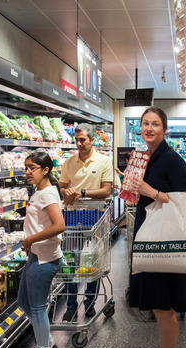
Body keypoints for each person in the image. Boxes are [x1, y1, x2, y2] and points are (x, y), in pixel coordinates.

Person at [126, 107, 186, 348]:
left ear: (165, 128)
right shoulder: (145, 157)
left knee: (164, 309)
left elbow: (183, 203)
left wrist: (147, 190)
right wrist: (131, 187)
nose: (149, 128)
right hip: (149, 237)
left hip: (163, 244)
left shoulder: (172, 160)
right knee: (158, 306)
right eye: (145, 124)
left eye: (155, 124)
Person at [59, 123, 114, 322]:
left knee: (93, 261)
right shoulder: (68, 162)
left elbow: (106, 191)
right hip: (72, 215)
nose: (80, 144)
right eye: (77, 140)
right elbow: (62, 185)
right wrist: (67, 192)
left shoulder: (104, 161)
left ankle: (90, 302)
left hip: (95, 215)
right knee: (70, 261)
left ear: (92, 140)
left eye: (83, 140)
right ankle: (71, 305)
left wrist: (81, 192)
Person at [16, 151, 66, 348]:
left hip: (44, 258)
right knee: (24, 302)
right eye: (26, 167)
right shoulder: (42, 191)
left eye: (32, 168)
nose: (27, 172)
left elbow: (59, 225)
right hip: (37, 254)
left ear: (45, 170)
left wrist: (30, 239)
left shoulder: (46, 194)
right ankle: (50, 345)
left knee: (36, 307)